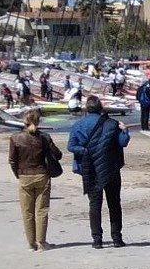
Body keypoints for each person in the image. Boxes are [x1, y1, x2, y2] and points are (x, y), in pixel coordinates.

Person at [67, 95, 131, 248]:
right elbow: (123, 142)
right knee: (114, 203)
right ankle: (117, 238)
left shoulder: (78, 125)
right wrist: (125, 131)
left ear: (86, 109)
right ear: (101, 108)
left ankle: (97, 240)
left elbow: (71, 146)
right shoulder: (112, 124)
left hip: (90, 169)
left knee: (94, 204)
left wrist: (84, 151)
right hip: (110, 167)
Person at [8, 108, 62, 251]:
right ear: (38, 121)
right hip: (41, 174)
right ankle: (42, 242)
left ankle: (31, 243)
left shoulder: (15, 137)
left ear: (24, 121)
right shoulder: (44, 137)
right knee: (41, 210)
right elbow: (58, 155)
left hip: (24, 176)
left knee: (27, 211)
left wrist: (18, 174)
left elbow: (12, 161)